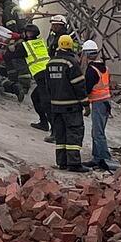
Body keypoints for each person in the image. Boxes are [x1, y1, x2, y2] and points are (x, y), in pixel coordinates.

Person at [46, 35, 90, 173]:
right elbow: (79, 85)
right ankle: (74, 163)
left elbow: (48, 85)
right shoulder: (71, 63)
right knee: (74, 133)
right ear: (71, 46)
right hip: (71, 106)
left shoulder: (50, 63)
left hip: (56, 106)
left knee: (61, 134)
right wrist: (85, 104)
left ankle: (62, 162)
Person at [6, 24, 53, 141]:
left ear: (30, 34)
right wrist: (19, 36)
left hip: (42, 76)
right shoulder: (40, 42)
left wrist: (9, 44)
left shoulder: (25, 46)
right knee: (35, 97)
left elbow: (12, 54)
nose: (24, 34)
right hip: (47, 74)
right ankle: (44, 123)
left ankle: (56, 130)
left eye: (26, 32)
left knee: (46, 103)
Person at [81, 39, 117, 171]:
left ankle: (104, 158)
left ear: (86, 54)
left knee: (98, 132)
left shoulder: (91, 70)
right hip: (105, 102)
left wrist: (83, 101)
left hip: (98, 103)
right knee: (97, 131)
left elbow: (88, 89)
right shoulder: (104, 67)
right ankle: (97, 157)